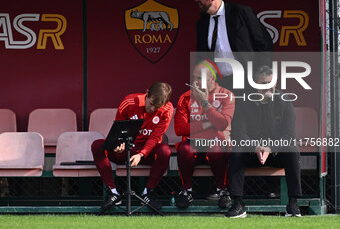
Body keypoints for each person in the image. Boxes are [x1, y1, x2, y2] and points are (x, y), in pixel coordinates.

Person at [226, 66, 302, 218]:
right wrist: (256, 147)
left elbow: (289, 136)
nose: (268, 87)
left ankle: (293, 203)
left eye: (270, 83)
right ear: (255, 84)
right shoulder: (244, 102)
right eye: (263, 83)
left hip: (276, 153)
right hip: (252, 153)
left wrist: (270, 148)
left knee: (292, 149)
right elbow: (239, 134)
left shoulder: (285, 102)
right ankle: (238, 204)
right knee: (237, 150)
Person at [91, 82, 174, 212]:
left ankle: (148, 192)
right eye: (151, 103)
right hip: (126, 148)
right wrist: (117, 145)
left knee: (165, 151)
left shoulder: (168, 109)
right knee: (97, 145)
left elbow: (155, 138)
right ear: (147, 93)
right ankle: (113, 193)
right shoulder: (129, 102)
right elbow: (118, 130)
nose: (152, 109)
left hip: (146, 151)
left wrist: (141, 154)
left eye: (156, 107)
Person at [174, 60, 235, 208]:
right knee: (184, 148)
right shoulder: (185, 97)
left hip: (216, 143)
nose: (194, 81)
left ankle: (222, 190)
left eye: (199, 78)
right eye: (194, 77)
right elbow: (180, 129)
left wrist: (204, 103)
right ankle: (186, 191)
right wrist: (206, 124)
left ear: (212, 79)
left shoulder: (226, 95)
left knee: (216, 149)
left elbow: (222, 124)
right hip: (194, 143)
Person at [195, 0, 273, 93]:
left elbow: (264, 43)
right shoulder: (202, 24)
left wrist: (262, 76)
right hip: (219, 84)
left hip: (246, 81)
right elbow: (202, 55)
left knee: (247, 111)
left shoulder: (241, 12)